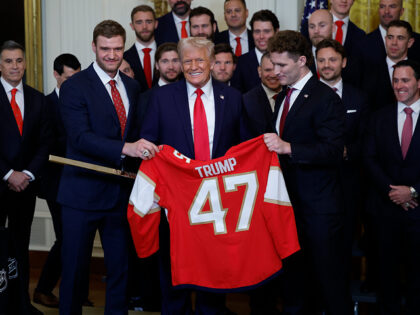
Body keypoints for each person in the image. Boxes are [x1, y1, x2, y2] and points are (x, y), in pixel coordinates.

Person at [140, 36, 250, 315]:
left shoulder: (234, 98)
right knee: (174, 271)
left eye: (199, 59)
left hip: (217, 204)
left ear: (212, 63)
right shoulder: (162, 98)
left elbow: (243, 149)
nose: (192, 66)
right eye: (186, 60)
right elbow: (149, 141)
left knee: (213, 274)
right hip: (176, 202)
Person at [57, 20, 158, 315]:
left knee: (120, 271)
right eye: (105, 49)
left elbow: (138, 132)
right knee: (75, 271)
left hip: (120, 195)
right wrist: (126, 148)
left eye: (117, 48)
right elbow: (80, 137)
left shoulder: (132, 85)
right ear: (93, 47)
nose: (112, 55)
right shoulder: (74, 86)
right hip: (81, 195)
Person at [264, 30, 352, 315]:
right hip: (291, 207)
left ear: (302, 60)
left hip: (320, 210)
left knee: (330, 282)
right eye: (273, 65)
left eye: (281, 66)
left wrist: (288, 147)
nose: (275, 71)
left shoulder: (325, 98)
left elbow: (331, 152)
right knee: (298, 282)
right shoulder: (284, 97)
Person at [364, 59, 420, 315]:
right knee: (387, 276)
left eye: (405, 80)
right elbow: (370, 159)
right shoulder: (379, 117)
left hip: (418, 210)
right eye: (396, 80)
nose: (399, 86)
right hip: (386, 210)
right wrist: (393, 191)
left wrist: (413, 191)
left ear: (418, 83)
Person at [0, 40, 50, 315]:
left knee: (21, 245)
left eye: (19, 60)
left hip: (25, 188)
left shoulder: (37, 99)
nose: (14, 66)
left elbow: (44, 143)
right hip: (1, 182)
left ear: (25, 63)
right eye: (8, 61)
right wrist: (8, 174)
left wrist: (27, 174)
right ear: (0, 65)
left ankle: (21, 304)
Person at [316, 38, 369, 275]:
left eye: (333, 59)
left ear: (344, 62)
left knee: (345, 244)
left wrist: (348, 151)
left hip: (348, 183)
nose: (327, 65)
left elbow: (367, 140)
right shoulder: (305, 96)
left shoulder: (359, 98)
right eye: (322, 60)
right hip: (315, 185)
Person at [34, 53, 82, 309]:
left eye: (77, 77)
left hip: (82, 181)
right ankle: (42, 289)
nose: (73, 83)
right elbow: (47, 144)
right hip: (56, 183)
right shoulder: (45, 104)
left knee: (79, 237)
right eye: (68, 78)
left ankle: (76, 292)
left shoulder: (83, 100)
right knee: (66, 238)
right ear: (56, 75)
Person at [363, 20, 414, 111]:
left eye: (400, 38)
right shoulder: (367, 71)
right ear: (385, 39)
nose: (394, 43)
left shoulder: (417, 70)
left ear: (410, 42)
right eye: (390, 37)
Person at [307, 9, 361, 86]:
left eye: (322, 26)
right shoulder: (300, 56)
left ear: (333, 28)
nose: (316, 31)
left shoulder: (350, 57)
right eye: (312, 27)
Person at [231, 10, 279, 93]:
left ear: (276, 32)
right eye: (257, 31)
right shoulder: (240, 63)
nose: (261, 36)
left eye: (266, 31)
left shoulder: (286, 60)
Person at [362, 0, 420, 66]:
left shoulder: (418, 42)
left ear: (401, 11)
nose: (386, 11)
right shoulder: (362, 43)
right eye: (382, 7)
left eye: (392, 6)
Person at [243, 52, 281, 137]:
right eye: (268, 70)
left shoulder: (292, 95)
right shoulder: (247, 101)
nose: (273, 75)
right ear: (259, 71)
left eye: (276, 69)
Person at [124, 5, 159, 91]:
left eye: (149, 21)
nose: (144, 27)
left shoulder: (168, 54)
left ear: (156, 24)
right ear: (132, 26)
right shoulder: (124, 58)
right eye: (139, 22)